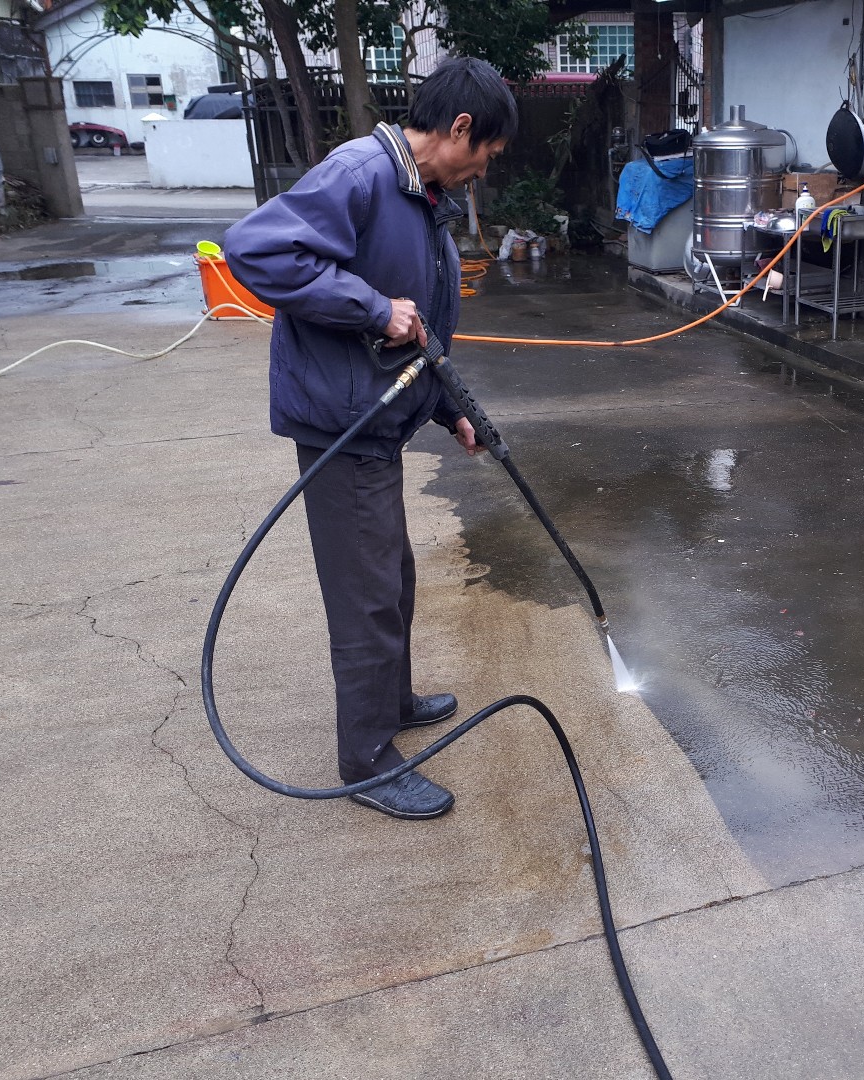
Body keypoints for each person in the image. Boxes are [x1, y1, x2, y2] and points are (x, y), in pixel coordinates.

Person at [223, 58, 516, 820]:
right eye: (486, 151)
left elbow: (419, 333)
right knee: (366, 596)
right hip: (339, 426)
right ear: (459, 128)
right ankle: (366, 760)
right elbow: (255, 249)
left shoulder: (423, 194)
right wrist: (369, 306)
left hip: (378, 418)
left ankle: (391, 701)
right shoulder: (360, 174)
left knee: (392, 576)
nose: (486, 167)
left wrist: (447, 409)